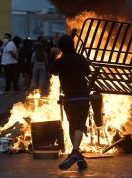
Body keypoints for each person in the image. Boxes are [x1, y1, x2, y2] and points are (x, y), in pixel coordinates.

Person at [49, 34, 90, 170]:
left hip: (69, 99)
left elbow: (51, 70)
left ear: (61, 47)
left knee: (73, 127)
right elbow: (88, 72)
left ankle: (76, 153)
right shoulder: (80, 58)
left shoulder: (61, 61)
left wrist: (53, 55)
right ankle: (77, 154)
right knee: (79, 126)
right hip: (83, 97)